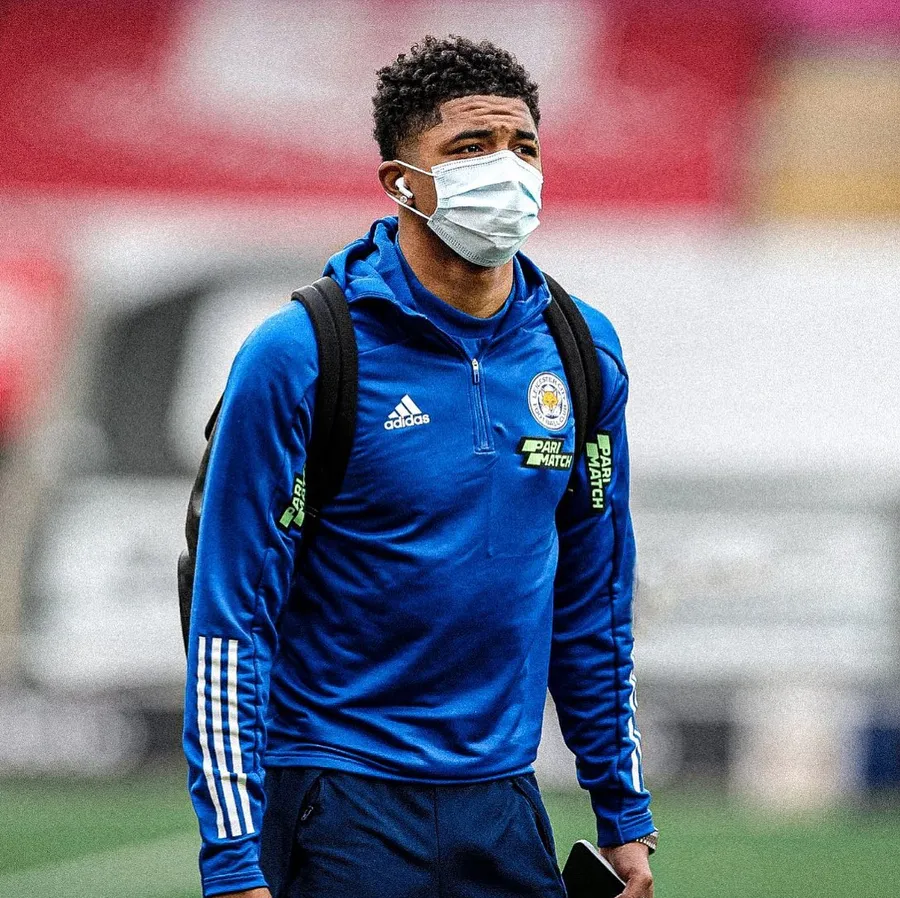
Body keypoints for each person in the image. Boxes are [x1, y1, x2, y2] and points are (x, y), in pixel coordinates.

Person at [183, 34, 656, 898]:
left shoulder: (582, 351)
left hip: (504, 803)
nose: (506, 170)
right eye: (471, 147)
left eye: (523, 147)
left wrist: (622, 810)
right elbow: (230, 618)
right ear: (402, 183)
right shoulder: (299, 355)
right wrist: (232, 858)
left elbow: (595, 597)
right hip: (335, 797)